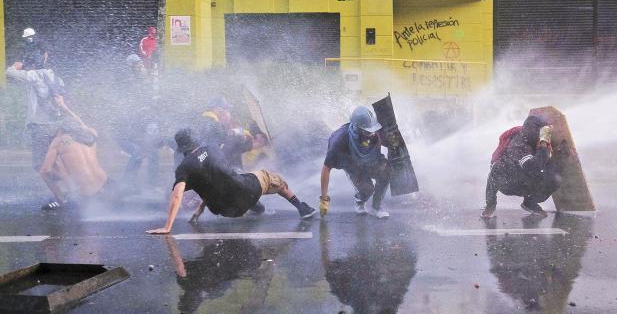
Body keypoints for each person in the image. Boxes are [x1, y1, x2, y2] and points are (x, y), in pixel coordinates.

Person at [146, 128, 316, 235]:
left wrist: (169, 226)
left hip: (228, 210)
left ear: (181, 148)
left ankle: (256, 207)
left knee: (223, 186)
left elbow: (178, 196)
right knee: (275, 180)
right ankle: (302, 208)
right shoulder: (211, 147)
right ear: (196, 141)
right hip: (247, 190)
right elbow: (220, 177)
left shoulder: (184, 168)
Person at [319, 106, 392, 219]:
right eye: (368, 132)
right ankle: (360, 199)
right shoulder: (340, 140)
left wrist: (395, 143)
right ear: (358, 128)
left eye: (374, 130)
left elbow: (390, 143)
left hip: (372, 159)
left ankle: (376, 207)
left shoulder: (374, 131)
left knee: (386, 170)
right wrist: (324, 199)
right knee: (368, 189)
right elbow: (326, 169)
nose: (372, 134)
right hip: (352, 164)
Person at [482, 115, 560, 218]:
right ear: (533, 130)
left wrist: (560, 152)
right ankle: (490, 204)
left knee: (555, 176)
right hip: (509, 183)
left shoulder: (535, 143)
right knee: (496, 169)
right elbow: (533, 166)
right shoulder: (519, 143)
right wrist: (544, 144)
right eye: (541, 133)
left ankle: (530, 202)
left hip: (526, 181)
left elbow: (544, 162)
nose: (543, 136)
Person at [38, 97, 109, 209]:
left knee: (48, 171)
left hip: (88, 195)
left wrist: (59, 195)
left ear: (61, 129)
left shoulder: (59, 141)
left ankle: (61, 200)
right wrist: (63, 106)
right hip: (107, 185)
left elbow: (45, 171)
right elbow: (80, 123)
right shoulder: (91, 133)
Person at [5, 59, 64, 185]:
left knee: (41, 165)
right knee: (53, 160)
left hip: (40, 127)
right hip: (57, 126)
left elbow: (9, 72)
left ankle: (61, 198)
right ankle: (72, 190)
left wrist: (16, 66)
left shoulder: (35, 75)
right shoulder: (57, 79)